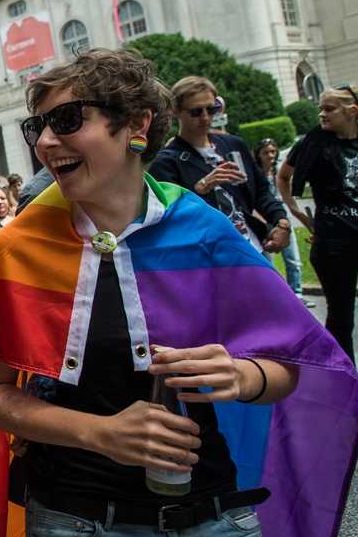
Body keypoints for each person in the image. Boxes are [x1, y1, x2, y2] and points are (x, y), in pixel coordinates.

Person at [0, 48, 354, 537]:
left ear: (135, 125)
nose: (47, 144)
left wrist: (242, 375)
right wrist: (99, 432)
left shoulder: (204, 229)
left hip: (218, 528)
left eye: (67, 120)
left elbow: (288, 367)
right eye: (39, 127)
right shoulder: (19, 246)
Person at [151, 76, 291, 255]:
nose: (205, 117)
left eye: (211, 109)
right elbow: (169, 217)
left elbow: (261, 191)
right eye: (196, 111)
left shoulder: (233, 145)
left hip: (252, 248)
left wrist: (281, 222)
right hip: (208, 254)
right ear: (175, 111)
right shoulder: (167, 161)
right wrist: (201, 188)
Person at [278, 86, 358, 361]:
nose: (322, 114)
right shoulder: (314, 142)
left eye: (329, 108)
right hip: (333, 243)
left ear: (352, 111)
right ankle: (345, 380)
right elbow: (284, 177)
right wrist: (297, 212)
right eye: (320, 108)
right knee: (341, 315)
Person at [255, 138, 314, 308]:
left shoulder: (278, 174)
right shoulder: (255, 174)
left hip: (282, 220)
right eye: (266, 152)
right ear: (258, 155)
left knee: (293, 260)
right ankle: (276, 298)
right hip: (262, 223)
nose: (270, 155)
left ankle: (297, 295)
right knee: (267, 264)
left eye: (273, 151)